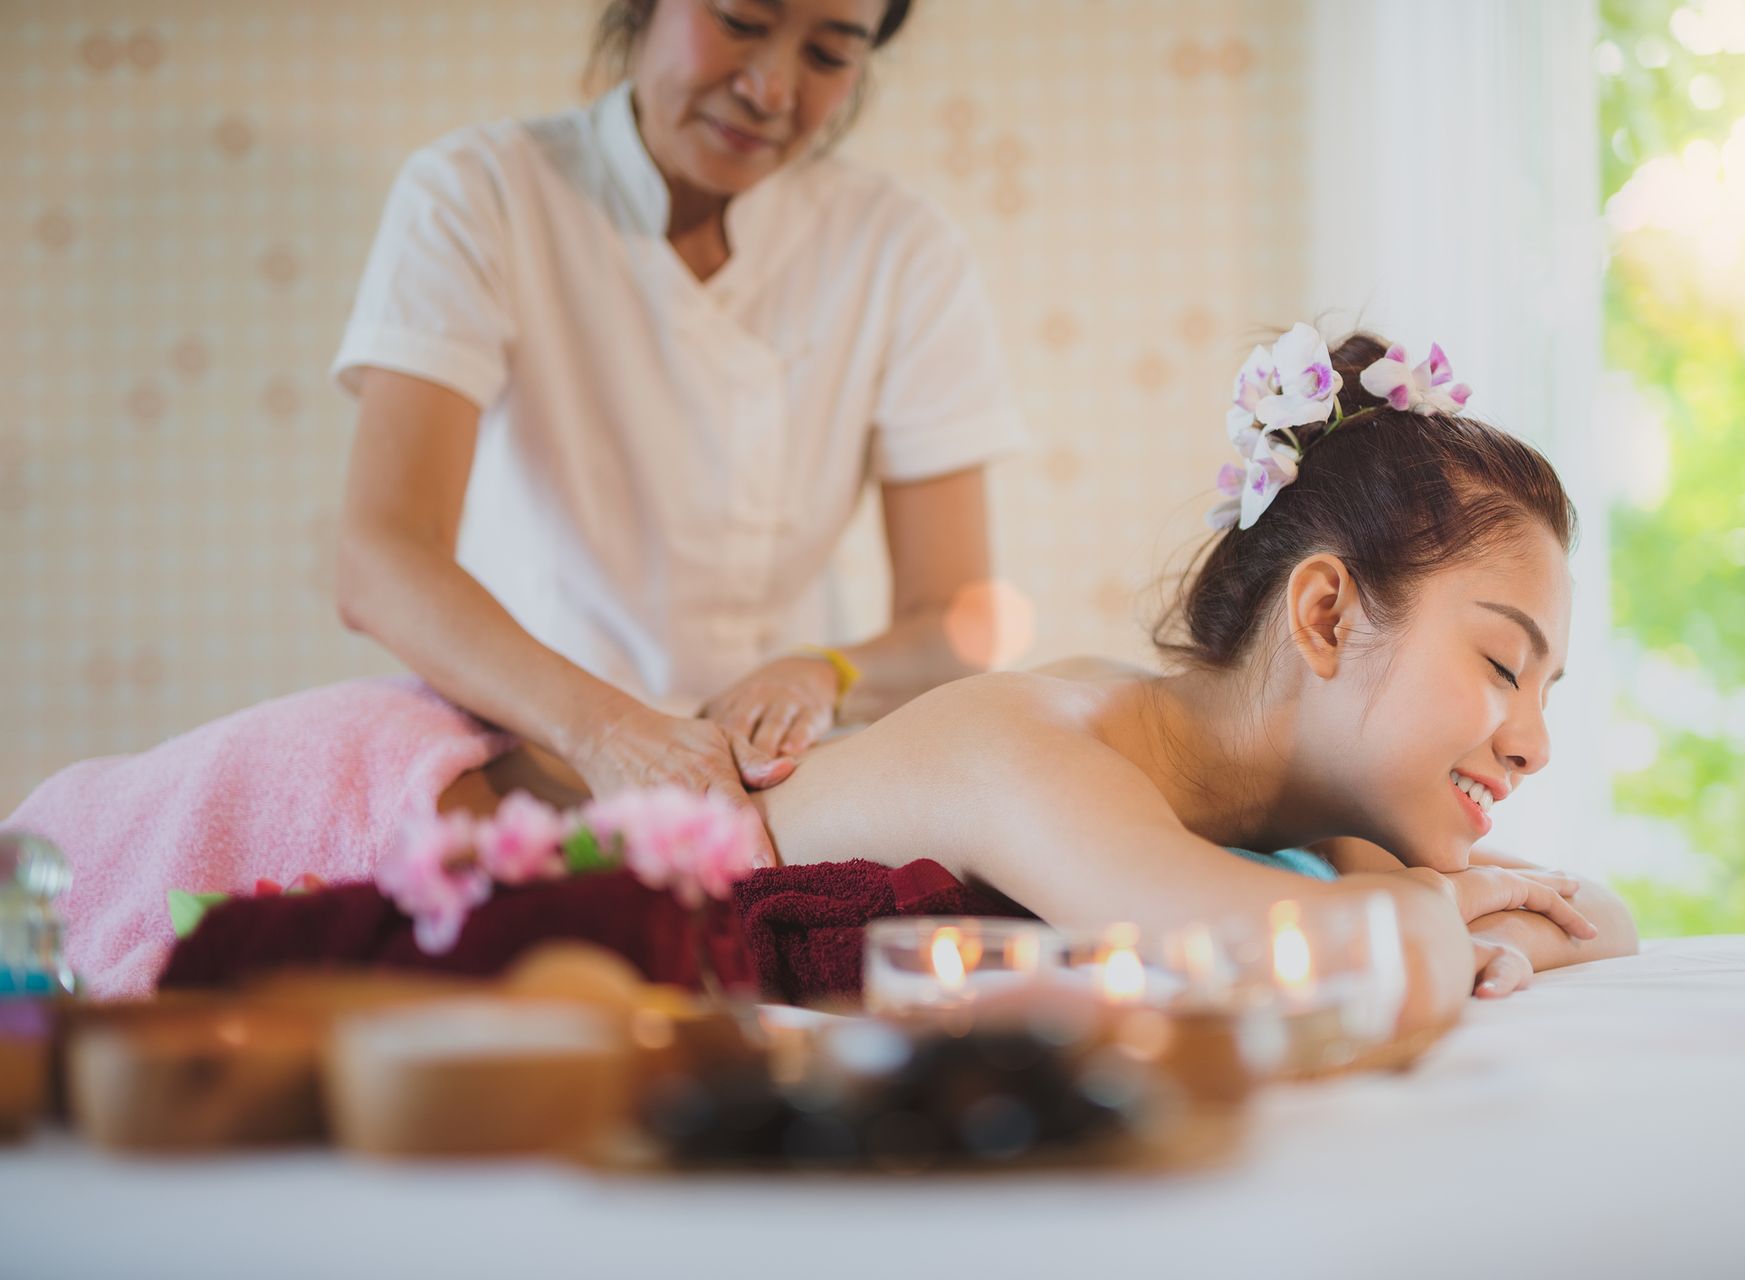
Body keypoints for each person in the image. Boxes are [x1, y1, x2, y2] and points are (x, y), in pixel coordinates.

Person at [8, 328, 1637, 1028]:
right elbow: (1295, 957)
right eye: (1506, 665)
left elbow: (1561, 919)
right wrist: (1460, 928)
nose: (1535, 738)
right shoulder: (1045, 746)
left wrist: (1500, 921)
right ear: (1331, 617)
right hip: (392, 816)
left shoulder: (1311, 820)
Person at [331, 0, 1024, 870]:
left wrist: (825, 671)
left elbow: (952, 623)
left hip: (784, 783)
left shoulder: (899, 247)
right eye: (739, 21)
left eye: (828, 52)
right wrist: (611, 733)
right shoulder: (482, 193)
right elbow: (380, 557)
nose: (772, 88)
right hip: (531, 766)